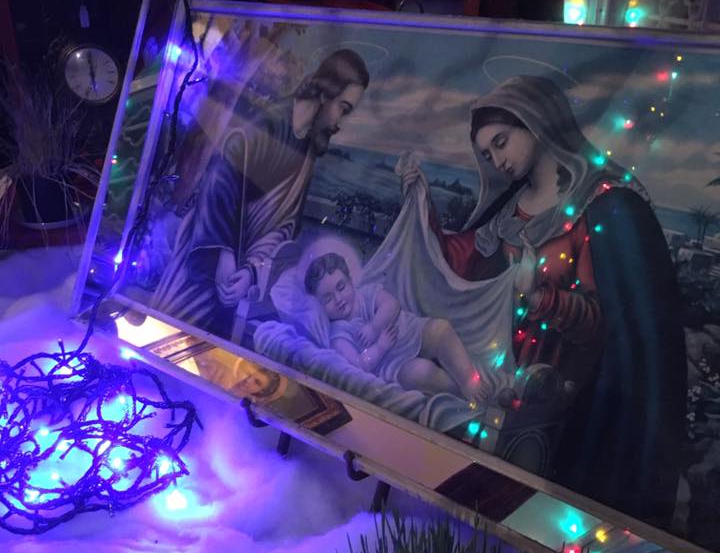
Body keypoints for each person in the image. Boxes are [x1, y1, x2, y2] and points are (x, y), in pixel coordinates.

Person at [402, 74, 685, 526]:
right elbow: (460, 262)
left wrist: (538, 297)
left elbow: (603, 326)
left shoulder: (604, 204)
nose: (498, 160)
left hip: (559, 394)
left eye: (501, 142)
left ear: (535, 120)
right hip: (497, 376)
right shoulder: (509, 207)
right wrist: (420, 202)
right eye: (487, 154)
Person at [152, 48, 369, 339]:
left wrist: (252, 270)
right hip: (206, 263)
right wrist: (225, 256)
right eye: (343, 108)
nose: (339, 122)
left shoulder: (306, 151)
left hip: (237, 278)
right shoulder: (269, 124)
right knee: (168, 335)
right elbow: (220, 181)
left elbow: (285, 225)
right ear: (325, 93)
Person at [304, 252, 487, 404]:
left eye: (341, 287)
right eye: (328, 298)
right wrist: (380, 347)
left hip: (410, 332)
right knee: (421, 373)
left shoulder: (366, 294)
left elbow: (392, 305)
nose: (338, 299)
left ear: (350, 280)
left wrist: (374, 327)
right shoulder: (338, 335)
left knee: (441, 329)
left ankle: (468, 380)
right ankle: (459, 393)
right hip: (392, 364)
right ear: (319, 305)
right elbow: (358, 366)